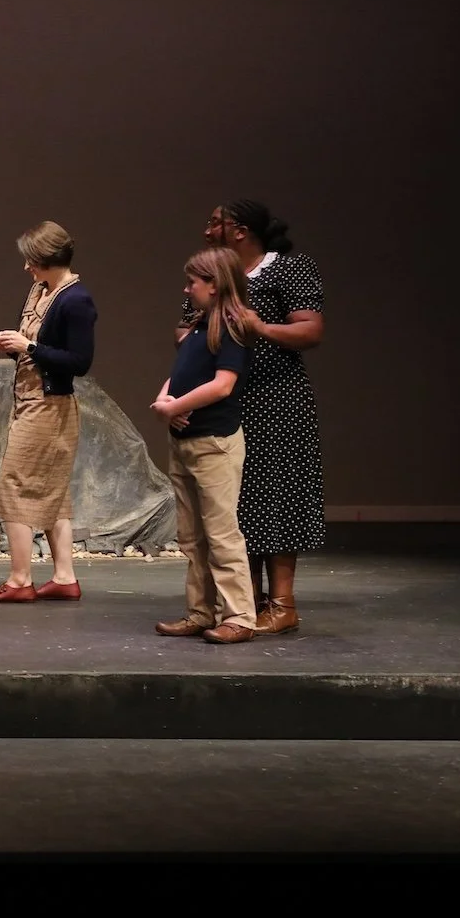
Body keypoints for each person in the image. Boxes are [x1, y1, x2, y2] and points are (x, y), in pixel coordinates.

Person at [180, 200, 325, 634]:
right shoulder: (215, 273)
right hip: (227, 398)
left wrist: (259, 327)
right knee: (235, 501)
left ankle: (282, 603)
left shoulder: (287, 269)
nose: (207, 231)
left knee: (275, 495)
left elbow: (310, 329)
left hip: (275, 399)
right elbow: (185, 327)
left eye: (216, 223)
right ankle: (249, 599)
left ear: (240, 231)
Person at [0, 222, 98, 604]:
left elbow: (79, 362)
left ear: (48, 258)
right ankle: (64, 577)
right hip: (28, 401)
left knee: (14, 485)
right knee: (53, 493)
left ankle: (19, 580)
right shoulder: (39, 290)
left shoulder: (75, 299)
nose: (27, 267)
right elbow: (38, 347)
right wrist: (16, 346)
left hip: (50, 407)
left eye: (32, 260)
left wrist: (28, 346)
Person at [154, 248, 258, 644]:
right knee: (192, 536)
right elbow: (180, 373)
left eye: (193, 282)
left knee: (221, 534)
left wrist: (176, 406)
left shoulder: (232, 327)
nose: (187, 289)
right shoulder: (200, 325)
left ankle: (240, 617)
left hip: (214, 444)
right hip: (185, 442)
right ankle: (201, 611)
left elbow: (223, 384)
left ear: (214, 285)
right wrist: (167, 401)